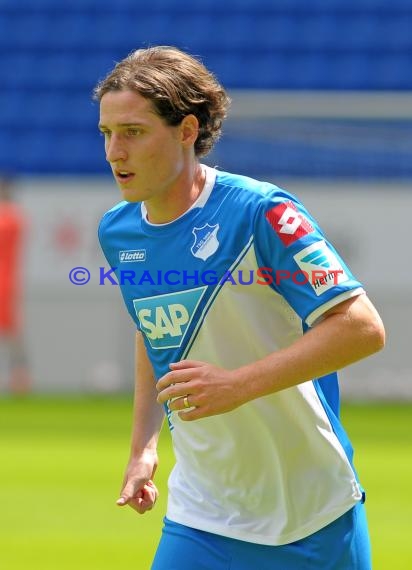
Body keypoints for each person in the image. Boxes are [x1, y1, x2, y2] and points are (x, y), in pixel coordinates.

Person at [95, 46, 385, 570]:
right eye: (107, 133)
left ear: (186, 130)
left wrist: (237, 385)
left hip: (311, 512)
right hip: (201, 515)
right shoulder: (117, 230)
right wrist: (144, 447)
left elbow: (362, 327)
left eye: (133, 132)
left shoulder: (262, 213)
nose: (115, 151)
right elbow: (153, 332)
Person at [0, 177, 31, 394]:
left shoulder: (9, 218)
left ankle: (21, 377)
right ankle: (20, 377)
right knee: (13, 333)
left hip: (6, 280)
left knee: (13, 333)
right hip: (9, 281)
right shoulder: (18, 217)